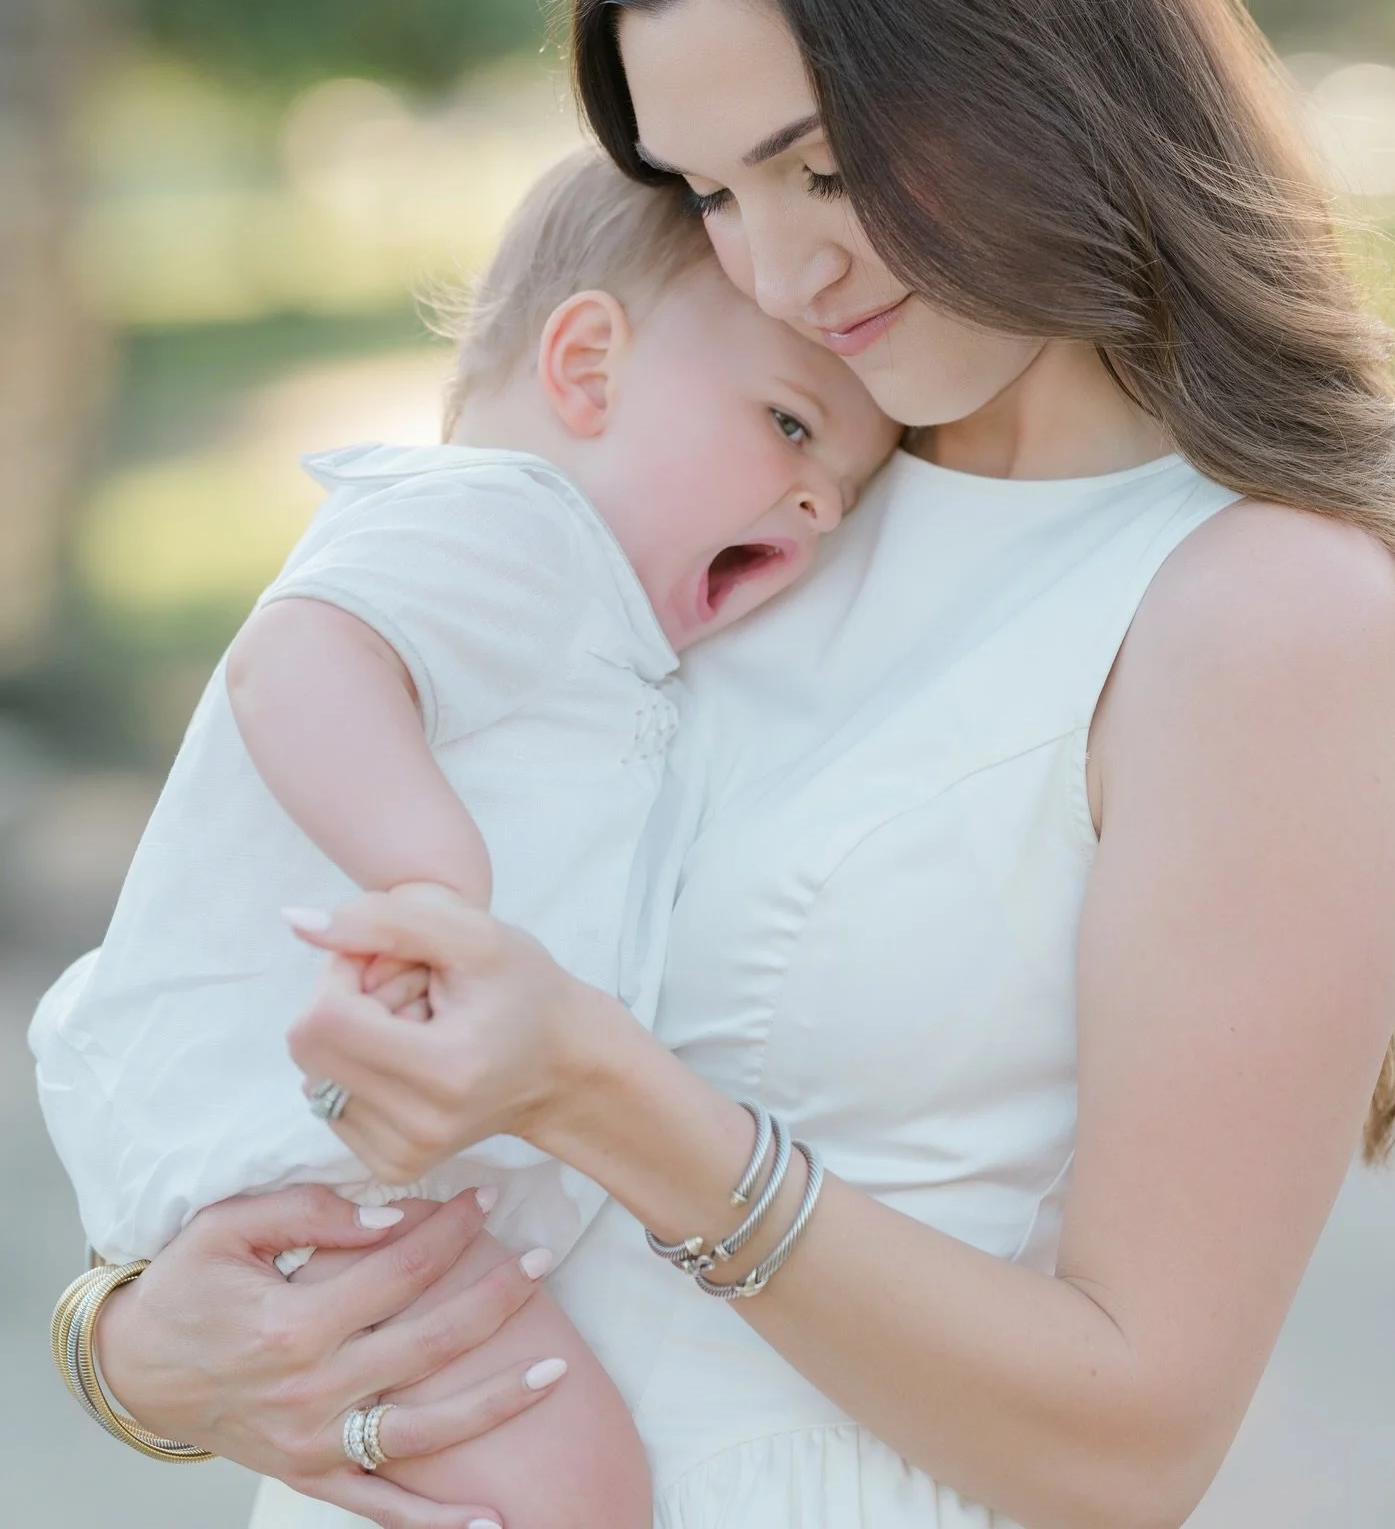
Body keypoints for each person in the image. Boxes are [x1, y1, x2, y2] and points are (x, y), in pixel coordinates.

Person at [45, 0, 1395, 1529]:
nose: (787, 265)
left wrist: (606, 1098)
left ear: (1041, 49)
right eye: (708, 190)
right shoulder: (737, 483)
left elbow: (1133, 1443)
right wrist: (135, 1346)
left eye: (828, 163)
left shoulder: (1258, 606)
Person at [32, 148, 896, 1529]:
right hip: (310, 1156)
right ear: (586, 366)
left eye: (850, 484)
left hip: (353, 1177)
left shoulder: (593, 617)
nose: (822, 503)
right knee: (571, 1481)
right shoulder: (509, 520)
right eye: (793, 427)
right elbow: (300, 654)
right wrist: (437, 876)